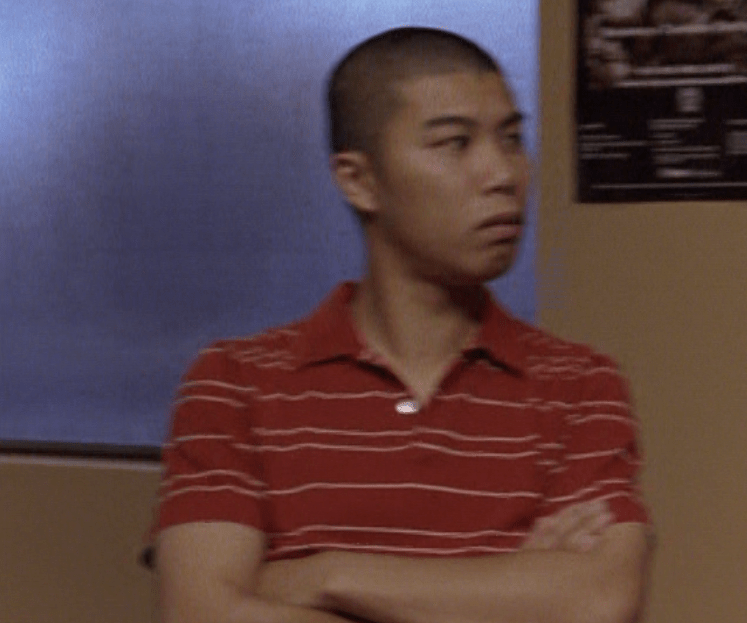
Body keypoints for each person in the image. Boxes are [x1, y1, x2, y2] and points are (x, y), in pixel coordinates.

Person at [148, 26, 653, 623]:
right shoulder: (234, 383)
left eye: (512, 139)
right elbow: (203, 612)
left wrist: (323, 576)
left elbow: (598, 599)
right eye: (455, 143)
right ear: (359, 181)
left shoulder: (580, 385)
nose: (503, 174)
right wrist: (505, 592)